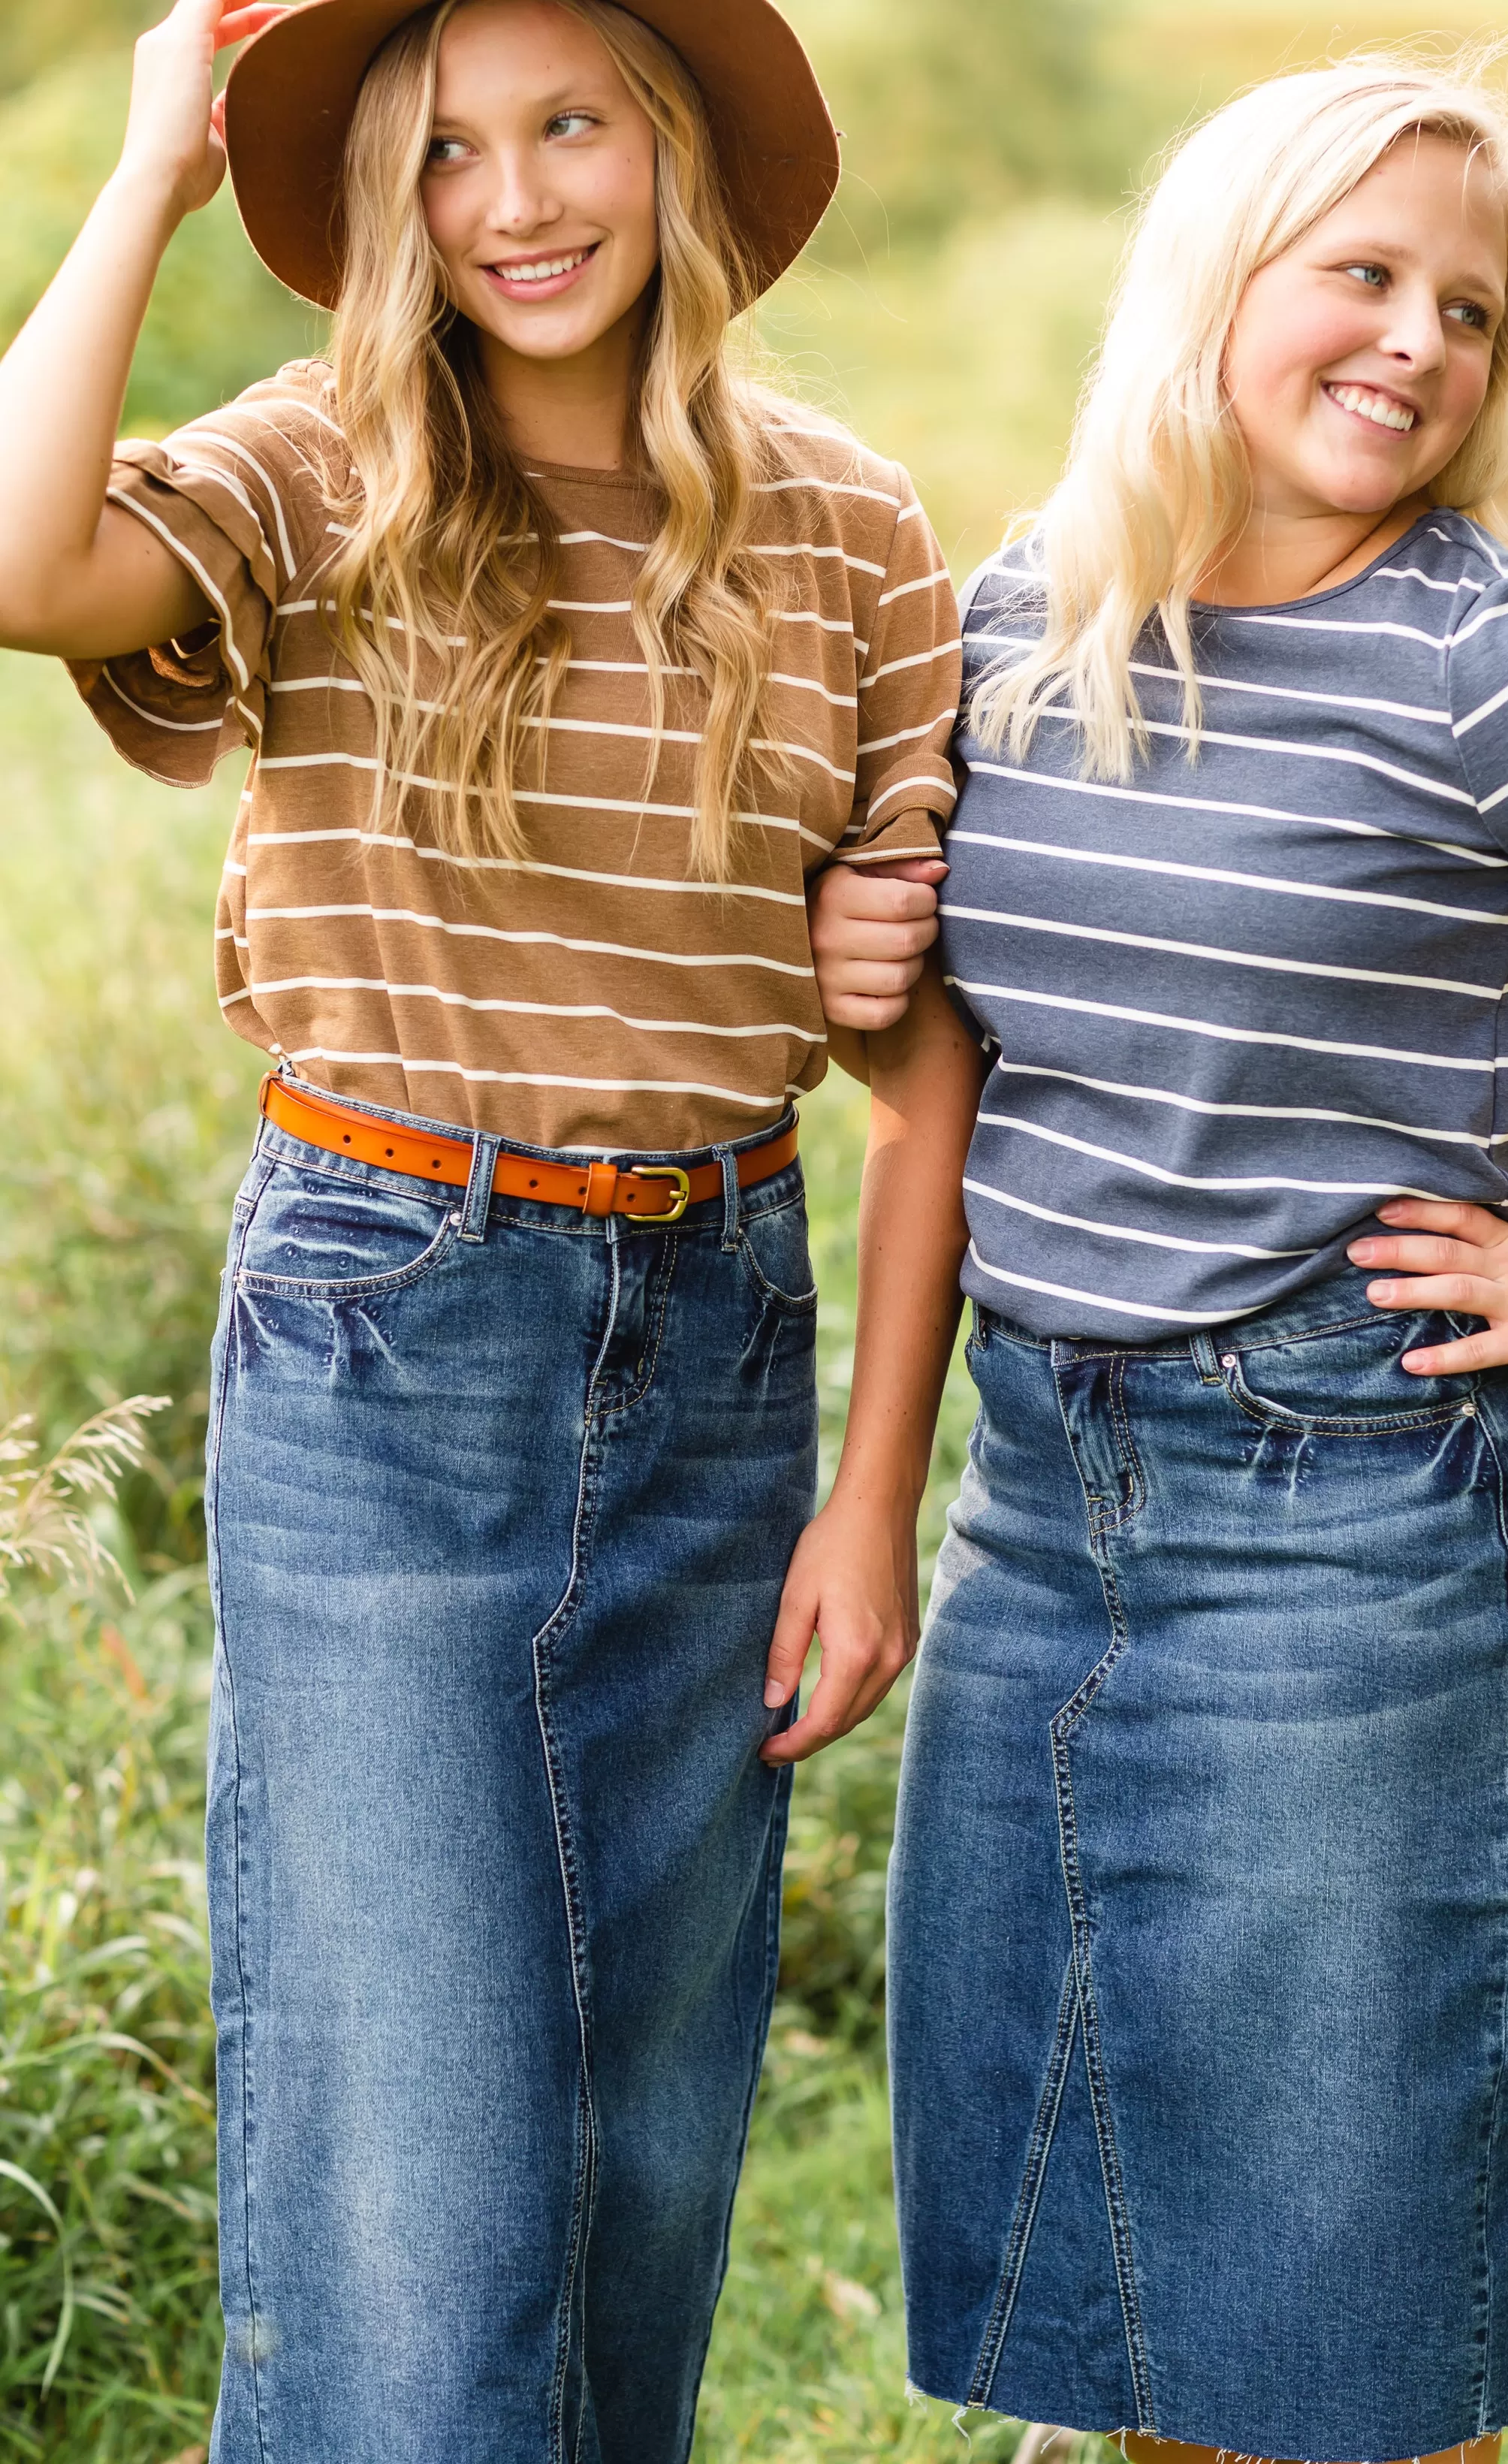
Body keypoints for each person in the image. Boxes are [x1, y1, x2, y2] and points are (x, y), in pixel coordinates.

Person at [0, 0, 976, 2454]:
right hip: (392, 1320)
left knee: (636, 2165)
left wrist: (871, 1503)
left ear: (672, 158)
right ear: (379, 208)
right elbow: (27, 569)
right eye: (446, 154)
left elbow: (920, 1055)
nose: (518, 201)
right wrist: (145, 169)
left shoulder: (843, 520)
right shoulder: (317, 471)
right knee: (418, 2184)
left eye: (571, 131)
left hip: (727, 1335)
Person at [810, 50, 1508, 2464]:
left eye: (1469, 309)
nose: (1420, 343)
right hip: (1047, 1515)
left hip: (1363, 1522)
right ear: (1211, 288)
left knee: (1345, 2337)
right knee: (1125, 2303)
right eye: (1363, 274)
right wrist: (862, 998)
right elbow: (979, 1064)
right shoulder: (1022, 621)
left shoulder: (1500, 661)